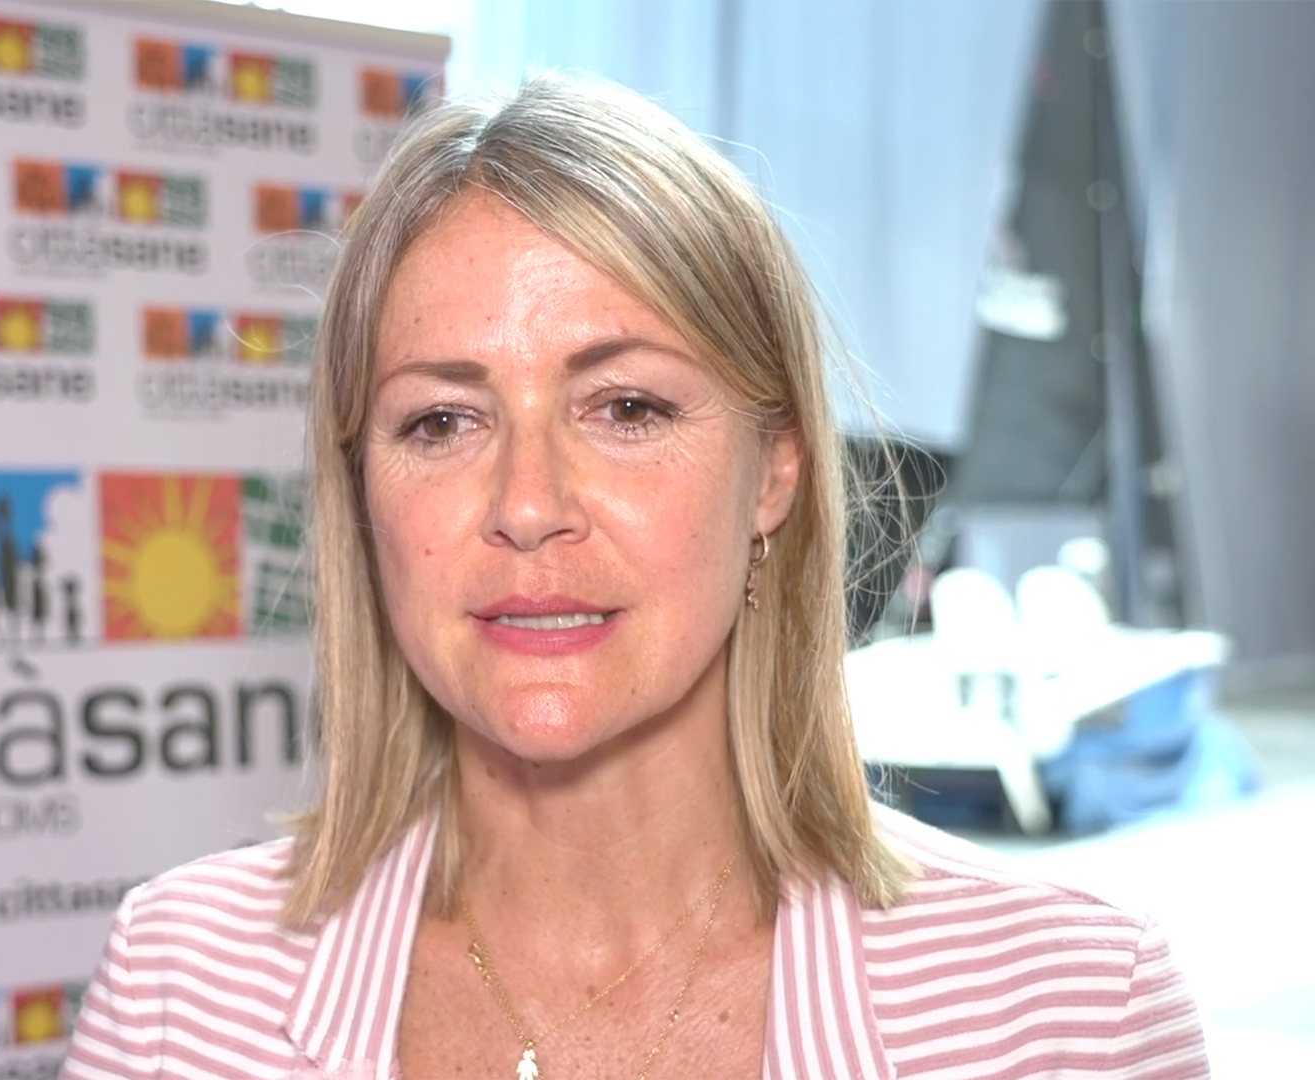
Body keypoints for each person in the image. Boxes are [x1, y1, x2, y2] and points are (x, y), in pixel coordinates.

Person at [63, 75, 1208, 1080]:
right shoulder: (180, 989)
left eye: (625, 408)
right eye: (443, 421)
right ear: (364, 490)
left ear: (774, 471)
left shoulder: (1068, 1014)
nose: (526, 506)